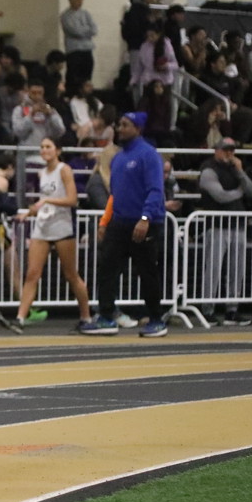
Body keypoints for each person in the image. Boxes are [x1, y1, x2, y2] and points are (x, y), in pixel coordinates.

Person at [80, 112, 168, 337]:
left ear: (138, 129)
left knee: (147, 272)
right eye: (119, 124)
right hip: (119, 222)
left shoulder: (149, 155)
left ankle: (156, 319)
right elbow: (115, 195)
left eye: (126, 125)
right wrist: (105, 221)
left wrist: (145, 218)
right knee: (107, 269)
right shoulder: (118, 159)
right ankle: (106, 317)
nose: (120, 128)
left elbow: (156, 190)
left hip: (144, 223)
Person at [8, 137, 93, 333]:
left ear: (58, 150)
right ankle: (20, 317)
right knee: (32, 273)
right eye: (42, 147)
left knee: (71, 274)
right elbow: (43, 202)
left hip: (61, 226)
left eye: (48, 147)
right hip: (43, 226)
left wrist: (47, 201)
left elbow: (72, 199)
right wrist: (29, 212)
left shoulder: (64, 170)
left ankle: (86, 316)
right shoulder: (42, 173)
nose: (44, 150)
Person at [196, 138, 252, 325]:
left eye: (232, 150)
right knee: (213, 269)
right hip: (217, 226)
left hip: (237, 225)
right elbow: (220, 196)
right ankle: (207, 310)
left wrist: (240, 172)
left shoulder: (235, 169)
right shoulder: (208, 169)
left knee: (237, 270)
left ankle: (232, 310)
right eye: (225, 150)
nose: (229, 154)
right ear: (217, 150)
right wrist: (240, 191)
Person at [60, 0, 97, 90]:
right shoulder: (65, 16)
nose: (80, 1)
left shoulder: (86, 13)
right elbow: (76, 31)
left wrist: (84, 30)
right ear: (70, 0)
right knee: (74, 79)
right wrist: (87, 30)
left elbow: (94, 29)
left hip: (87, 50)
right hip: (74, 51)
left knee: (87, 78)